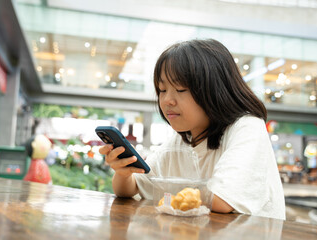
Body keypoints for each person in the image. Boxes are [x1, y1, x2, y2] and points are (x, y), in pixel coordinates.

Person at [99, 39, 285, 220]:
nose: (167, 100)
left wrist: (167, 190)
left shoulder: (247, 127)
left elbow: (222, 200)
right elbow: (132, 189)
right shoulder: (181, 140)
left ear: (215, 90)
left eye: (180, 89)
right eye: (162, 90)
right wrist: (123, 174)